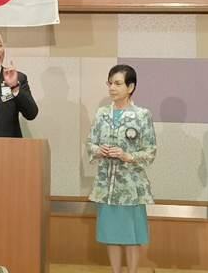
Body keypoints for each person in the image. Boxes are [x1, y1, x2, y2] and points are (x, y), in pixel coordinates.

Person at [86, 64, 156, 273]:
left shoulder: (142, 115)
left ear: (130, 87)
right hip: (106, 186)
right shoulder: (102, 113)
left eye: (117, 84)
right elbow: (91, 143)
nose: (112, 88)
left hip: (131, 187)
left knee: (132, 236)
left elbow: (150, 151)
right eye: (110, 83)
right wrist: (98, 150)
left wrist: (128, 156)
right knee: (112, 235)